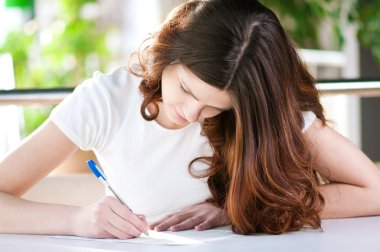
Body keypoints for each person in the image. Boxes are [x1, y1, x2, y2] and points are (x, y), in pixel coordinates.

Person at [1, 0, 380, 239]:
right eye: (186, 89)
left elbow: (373, 191)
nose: (192, 114)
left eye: (217, 108)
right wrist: (76, 222)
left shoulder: (262, 110)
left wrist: (237, 209)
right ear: (168, 52)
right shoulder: (105, 101)